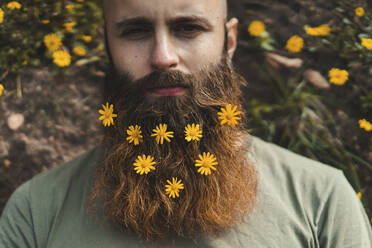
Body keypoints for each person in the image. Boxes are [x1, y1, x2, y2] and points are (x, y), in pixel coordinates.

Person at [1, 0, 371, 247]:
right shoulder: (35, 213)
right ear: (106, 45)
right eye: (135, 31)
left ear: (229, 40)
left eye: (188, 28)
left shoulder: (322, 202)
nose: (163, 57)